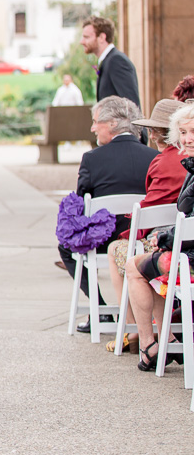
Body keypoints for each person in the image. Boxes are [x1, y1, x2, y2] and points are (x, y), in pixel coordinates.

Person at [56, 96, 157, 332]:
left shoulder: (92, 159)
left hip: (105, 242)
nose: (92, 128)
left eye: (95, 122)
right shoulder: (153, 158)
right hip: (144, 242)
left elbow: (81, 206)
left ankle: (100, 310)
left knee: (65, 249)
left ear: (113, 123)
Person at [104, 99, 186, 353]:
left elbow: (149, 208)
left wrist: (128, 233)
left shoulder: (162, 162)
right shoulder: (184, 161)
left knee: (120, 251)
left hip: (167, 244)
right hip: (182, 239)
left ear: (156, 133)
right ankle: (165, 336)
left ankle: (135, 332)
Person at [125, 102, 194, 370]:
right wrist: (167, 236)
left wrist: (166, 238)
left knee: (134, 266)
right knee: (152, 266)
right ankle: (169, 337)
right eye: (183, 132)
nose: (187, 138)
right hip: (186, 255)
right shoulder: (188, 165)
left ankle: (149, 346)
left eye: (193, 132)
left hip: (190, 262)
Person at [80, 16, 141, 107]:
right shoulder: (108, 61)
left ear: (101, 37)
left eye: (86, 37)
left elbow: (132, 106)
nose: (82, 41)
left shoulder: (116, 61)